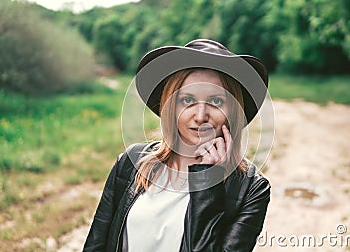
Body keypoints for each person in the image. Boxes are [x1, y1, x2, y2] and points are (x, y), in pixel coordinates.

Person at [83, 39, 271, 252]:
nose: (200, 116)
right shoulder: (131, 162)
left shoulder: (251, 189)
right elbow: (95, 245)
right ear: (171, 106)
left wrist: (208, 180)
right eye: (187, 100)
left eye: (216, 101)